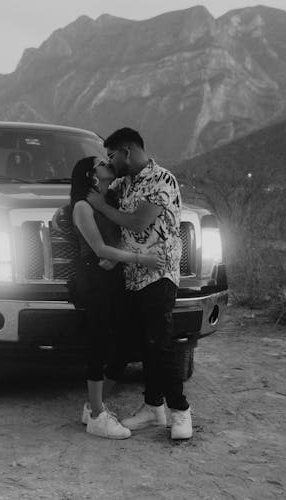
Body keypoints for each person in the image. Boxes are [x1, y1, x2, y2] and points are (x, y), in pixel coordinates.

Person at [86, 127, 192, 440]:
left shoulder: (162, 179)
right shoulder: (124, 182)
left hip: (159, 271)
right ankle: (153, 409)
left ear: (127, 152)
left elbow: (138, 222)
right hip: (131, 275)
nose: (110, 161)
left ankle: (181, 411)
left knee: (160, 342)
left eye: (112, 155)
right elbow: (111, 214)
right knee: (143, 344)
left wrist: (102, 206)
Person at [66, 156, 164, 440]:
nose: (107, 162)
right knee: (100, 341)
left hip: (111, 277)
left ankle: (92, 406)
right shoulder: (83, 206)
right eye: (100, 162)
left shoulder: (110, 199)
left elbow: (119, 235)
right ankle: (97, 416)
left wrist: (119, 254)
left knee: (123, 341)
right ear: (90, 175)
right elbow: (98, 249)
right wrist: (139, 258)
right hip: (92, 279)